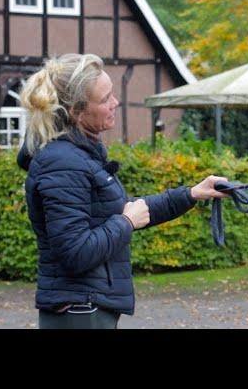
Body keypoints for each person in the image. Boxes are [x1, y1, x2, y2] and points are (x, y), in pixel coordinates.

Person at [17, 53, 229, 329]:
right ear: (76, 112)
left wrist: (191, 194)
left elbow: (120, 210)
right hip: (81, 314)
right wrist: (126, 222)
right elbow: (76, 252)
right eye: (105, 99)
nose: (115, 103)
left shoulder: (78, 156)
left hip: (88, 309)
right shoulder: (63, 163)